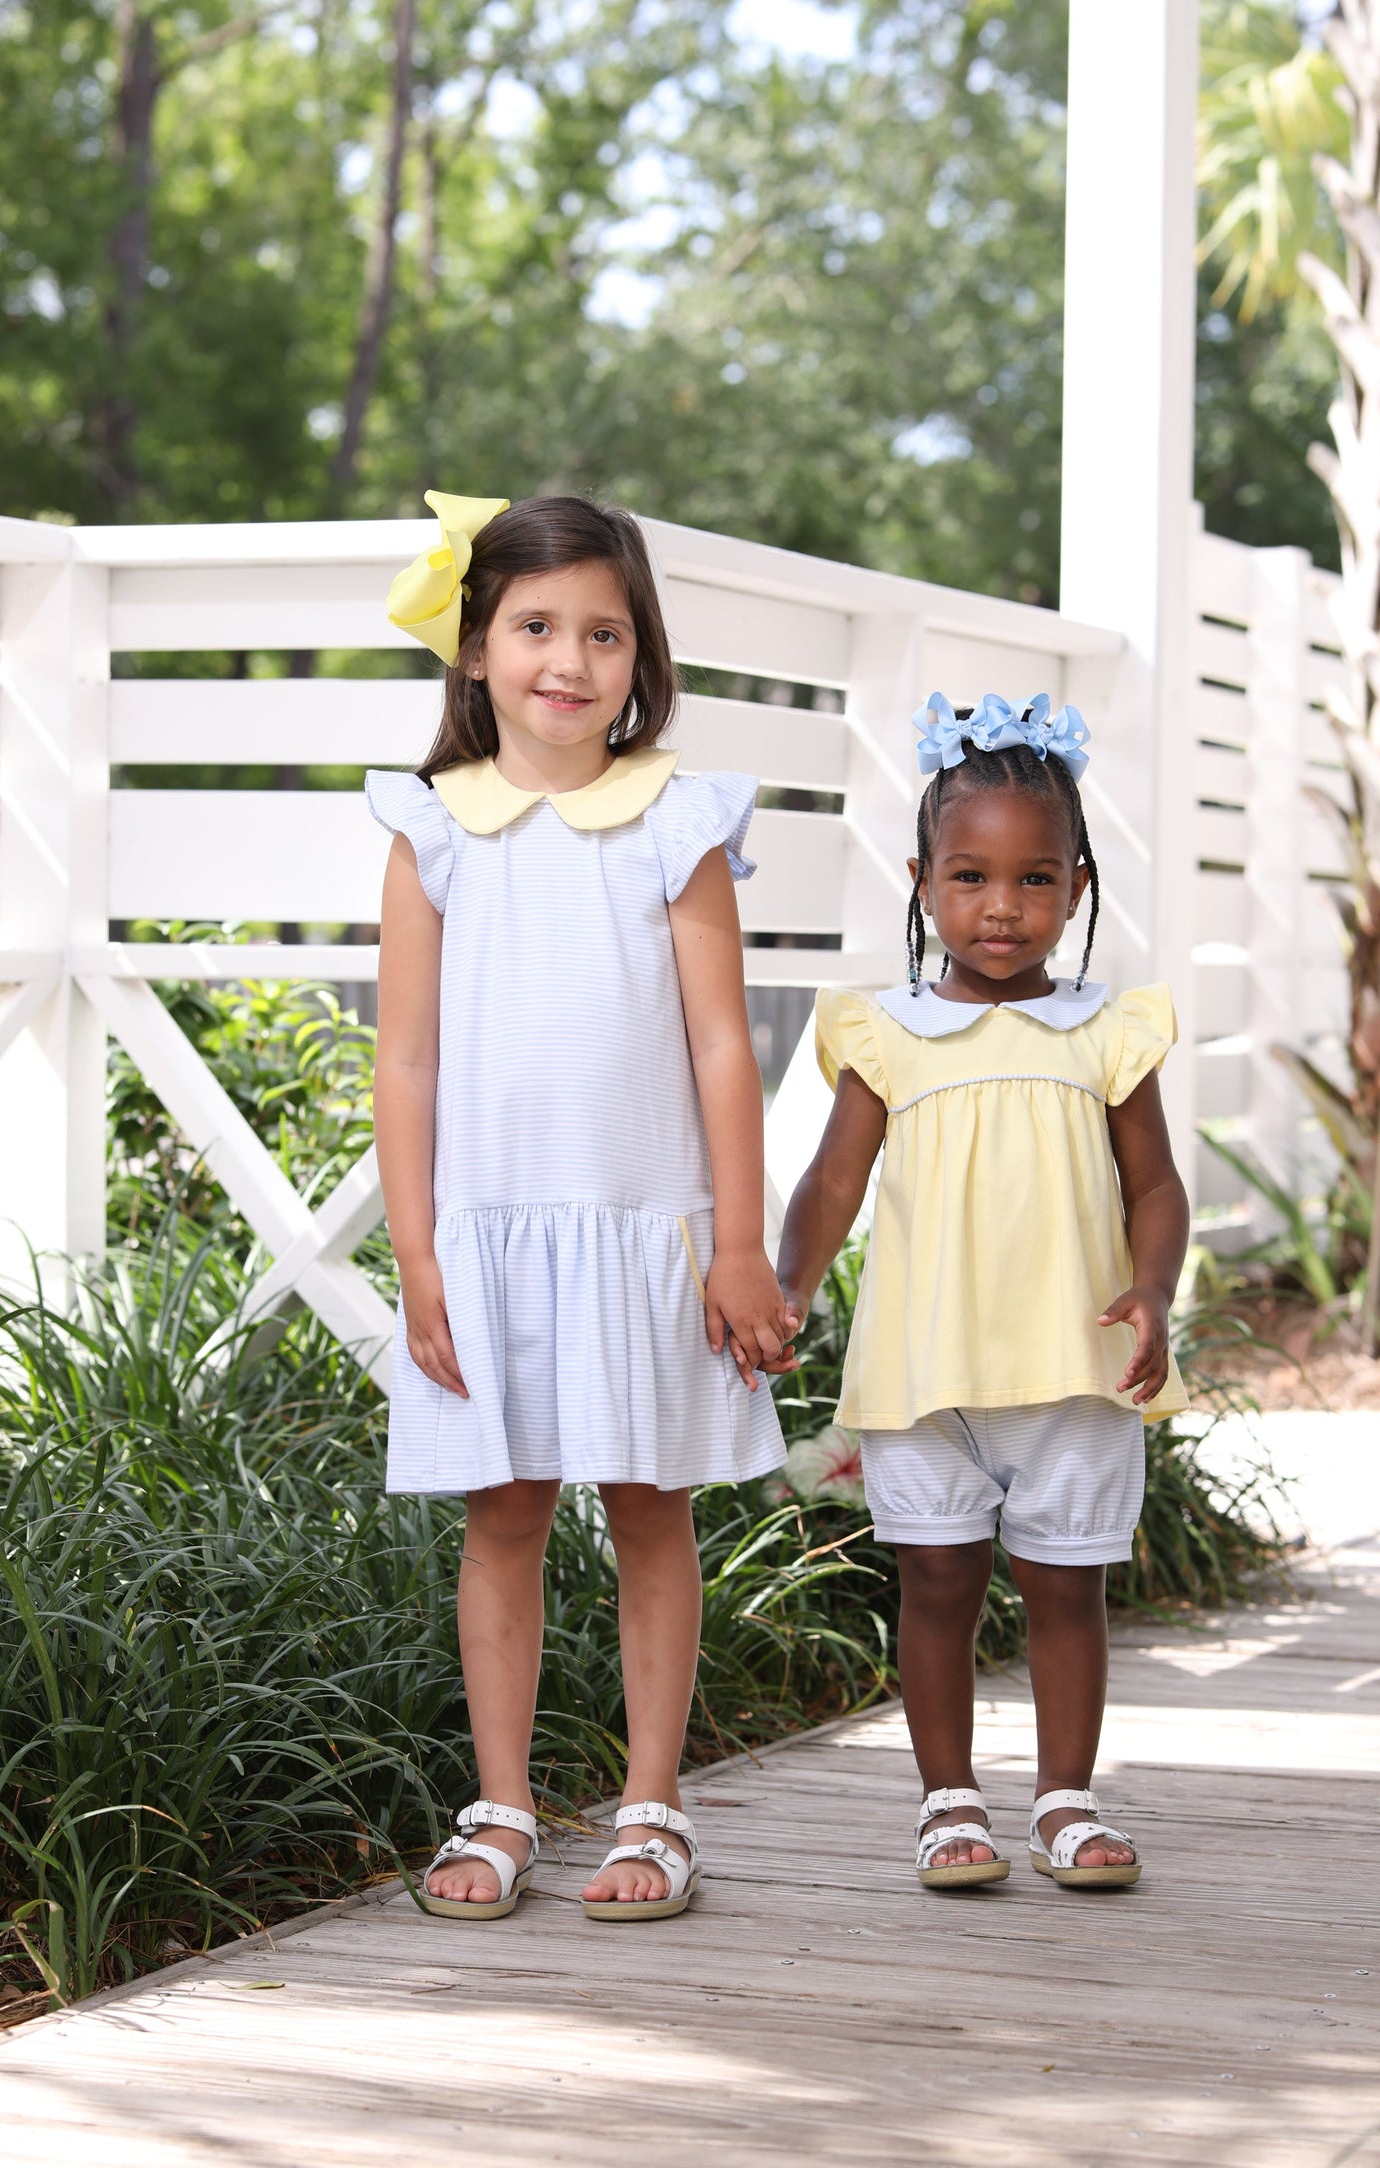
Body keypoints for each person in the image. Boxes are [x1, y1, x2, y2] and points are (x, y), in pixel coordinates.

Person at [368, 489, 795, 1922]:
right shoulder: (434, 828)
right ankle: (499, 1805)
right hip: (488, 1233)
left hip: (644, 1229)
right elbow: (408, 1054)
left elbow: (725, 1043)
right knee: (504, 1510)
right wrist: (418, 1250)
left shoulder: (675, 817)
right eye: (536, 625)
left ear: (641, 654)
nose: (571, 658)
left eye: (603, 631)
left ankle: (651, 1805)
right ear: (475, 651)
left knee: (648, 1506)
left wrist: (739, 1243)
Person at [775, 693, 1189, 1891]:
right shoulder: (882, 1030)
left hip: (1072, 1367)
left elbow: (1153, 1185)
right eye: (967, 875)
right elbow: (831, 1178)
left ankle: (1063, 1798)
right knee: (938, 1579)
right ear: (919, 879)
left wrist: (1153, 1290)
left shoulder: (1106, 1029)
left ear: (1075, 882)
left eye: (1032, 878)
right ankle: (946, 1799)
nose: (999, 906)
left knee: (1066, 1586)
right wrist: (790, 1283)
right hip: (923, 1370)